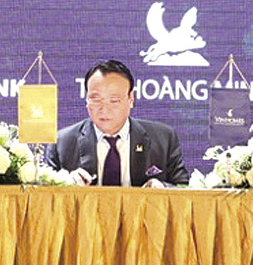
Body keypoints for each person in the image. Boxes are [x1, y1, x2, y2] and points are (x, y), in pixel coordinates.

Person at [45, 59, 189, 186]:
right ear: (87, 99)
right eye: (96, 99)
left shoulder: (163, 138)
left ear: (131, 99)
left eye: (114, 101)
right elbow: (43, 195)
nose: (104, 109)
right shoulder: (62, 142)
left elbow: (183, 188)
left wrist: (162, 188)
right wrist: (65, 185)